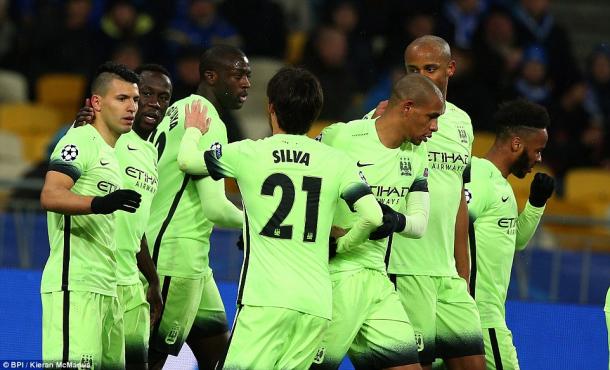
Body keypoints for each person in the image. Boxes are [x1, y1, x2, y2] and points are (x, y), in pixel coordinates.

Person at [177, 66, 384, 370]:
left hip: (265, 302)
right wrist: (341, 245)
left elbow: (186, 161)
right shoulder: (337, 162)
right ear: (315, 112)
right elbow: (373, 216)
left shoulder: (248, 153)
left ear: (270, 107)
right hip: (315, 304)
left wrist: (194, 128)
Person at [311, 73, 444, 370]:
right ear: (407, 107)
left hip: (377, 279)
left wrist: (395, 220)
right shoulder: (343, 136)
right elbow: (299, 178)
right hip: (335, 275)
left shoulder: (418, 153)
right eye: (431, 117)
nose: (435, 127)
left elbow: (419, 224)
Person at [369, 35, 486, 369]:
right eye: (412, 69)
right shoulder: (387, 118)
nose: (420, 76)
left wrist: (463, 271)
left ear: (450, 68)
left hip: (446, 274)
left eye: (430, 68)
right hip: (404, 268)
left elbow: (458, 200)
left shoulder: (463, 123)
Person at [145, 45, 249, 370]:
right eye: (237, 74)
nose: (246, 83)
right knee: (150, 360)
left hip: (185, 258)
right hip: (176, 258)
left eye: (248, 75)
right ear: (211, 76)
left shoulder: (177, 111)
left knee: (221, 357)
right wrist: (261, 224)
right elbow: (216, 208)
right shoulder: (208, 122)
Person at [39, 62, 142, 369]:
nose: (132, 107)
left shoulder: (112, 153)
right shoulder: (79, 140)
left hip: (107, 289)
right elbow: (50, 194)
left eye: (135, 99)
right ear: (96, 102)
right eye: (122, 98)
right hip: (76, 285)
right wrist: (101, 203)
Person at [74, 63, 173, 369]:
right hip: (100, 280)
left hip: (133, 283)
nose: (154, 102)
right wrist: (81, 126)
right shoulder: (102, 135)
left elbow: (134, 223)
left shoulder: (149, 152)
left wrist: (152, 280)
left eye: (164, 96)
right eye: (145, 93)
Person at [465, 99, 554, 370]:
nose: (539, 159)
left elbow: (515, 240)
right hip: (481, 317)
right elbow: (450, 227)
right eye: (537, 150)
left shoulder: (500, 186)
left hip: (477, 315)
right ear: (516, 144)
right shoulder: (479, 177)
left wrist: (536, 204)